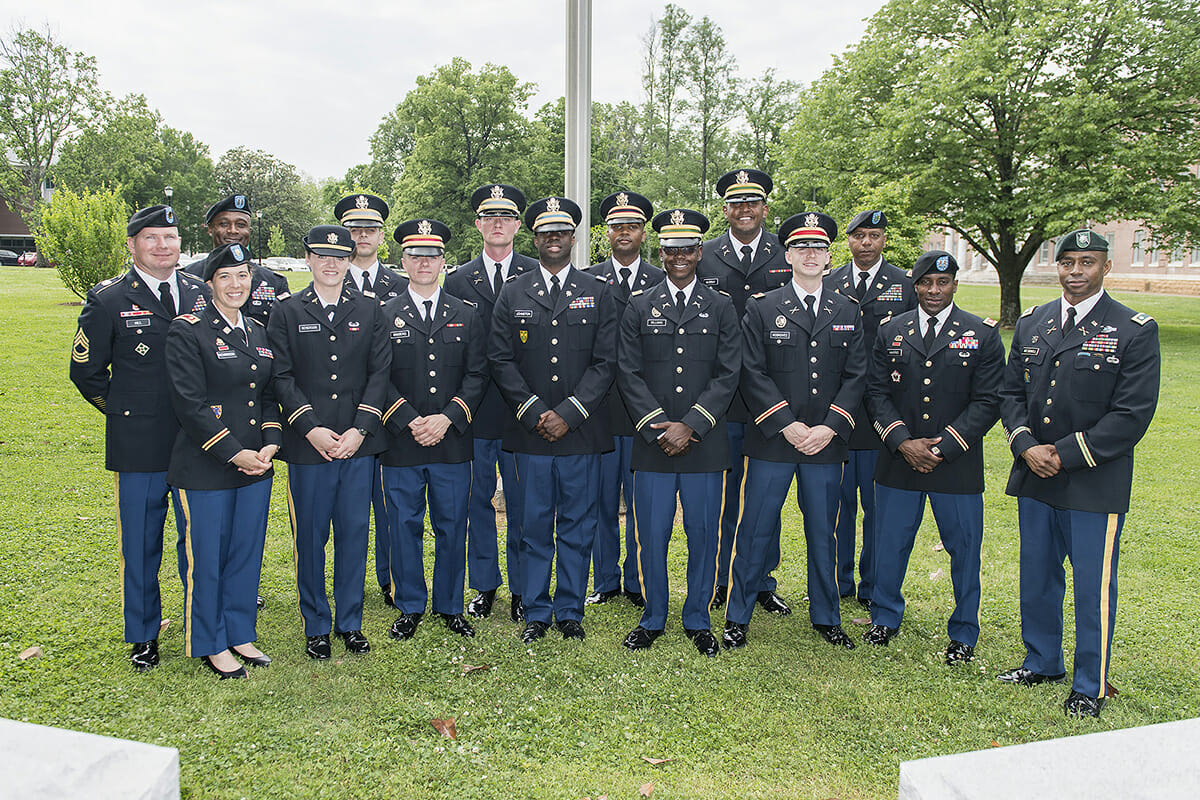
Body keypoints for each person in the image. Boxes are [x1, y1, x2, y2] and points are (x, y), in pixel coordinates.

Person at [997, 229, 1160, 718]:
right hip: (1035, 475)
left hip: (1092, 477)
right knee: (1038, 576)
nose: (1074, 271)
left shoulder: (1133, 329)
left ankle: (1091, 683)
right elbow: (1011, 395)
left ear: (1105, 267)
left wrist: (1062, 454)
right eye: (1066, 261)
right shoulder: (1034, 322)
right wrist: (1025, 445)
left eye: (1086, 262)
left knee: (1093, 585)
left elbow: (1131, 415)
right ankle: (1042, 660)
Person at [70, 204, 210, 671]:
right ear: (132, 244)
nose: (162, 246)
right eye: (151, 238)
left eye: (170, 237)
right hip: (139, 445)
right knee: (141, 543)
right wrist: (127, 415)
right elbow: (86, 373)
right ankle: (144, 634)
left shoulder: (198, 291)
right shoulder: (108, 299)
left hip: (198, 441)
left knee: (199, 540)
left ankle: (203, 627)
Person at [724, 212, 866, 650]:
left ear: (828, 258)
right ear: (788, 255)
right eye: (802, 247)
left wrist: (830, 426)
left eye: (819, 248)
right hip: (774, 441)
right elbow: (752, 371)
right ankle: (738, 615)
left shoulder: (847, 309)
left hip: (824, 443)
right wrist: (786, 424)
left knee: (824, 531)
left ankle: (826, 616)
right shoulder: (763, 307)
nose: (810, 254)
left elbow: (858, 375)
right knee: (755, 529)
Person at [862, 250, 1004, 660]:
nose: (934, 290)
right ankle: (885, 618)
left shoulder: (981, 333)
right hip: (898, 458)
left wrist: (943, 445)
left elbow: (989, 399)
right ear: (915, 285)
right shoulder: (891, 331)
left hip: (955, 463)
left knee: (963, 549)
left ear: (955, 285)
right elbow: (876, 393)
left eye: (943, 283)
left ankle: (963, 631)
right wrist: (902, 441)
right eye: (926, 283)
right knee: (890, 544)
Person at [489, 196, 617, 643]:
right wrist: (533, 410)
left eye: (562, 231)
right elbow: (500, 359)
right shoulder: (514, 290)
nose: (554, 238)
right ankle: (537, 611)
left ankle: (570, 611)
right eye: (546, 232)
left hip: (581, 431)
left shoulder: (598, 290)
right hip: (530, 434)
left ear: (573, 237)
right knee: (532, 525)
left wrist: (568, 413)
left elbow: (606, 362)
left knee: (578, 526)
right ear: (536, 239)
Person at [616, 208, 740, 656]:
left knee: (704, 533)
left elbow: (729, 373)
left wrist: (691, 425)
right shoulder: (639, 304)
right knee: (651, 532)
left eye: (688, 249)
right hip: (653, 443)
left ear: (699, 252)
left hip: (704, 443)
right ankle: (652, 617)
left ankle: (698, 618)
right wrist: (657, 426)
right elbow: (628, 372)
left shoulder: (721, 306)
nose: (680, 257)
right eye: (671, 250)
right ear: (661, 253)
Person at [267, 224, 391, 659]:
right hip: (308, 447)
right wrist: (310, 427)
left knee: (355, 534)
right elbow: (280, 378)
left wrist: (360, 430)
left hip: (358, 445)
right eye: (322, 256)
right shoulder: (285, 311)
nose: (332, 263)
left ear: (349, 259)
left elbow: (380, 375)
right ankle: (316, 624)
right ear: (308, 259)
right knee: (311, 539)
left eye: (340, 256)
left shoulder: (372, 309)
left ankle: (350, 623)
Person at [165, 243, 281, 679]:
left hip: (256, 462)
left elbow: (268, 396)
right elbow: (189, 404)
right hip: (207, 464)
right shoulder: (188, 330)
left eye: (244, 276)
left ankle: (239, 631)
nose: (237, 285)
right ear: (210, 283)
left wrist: (270, 444)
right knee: (207, 557)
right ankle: (210, 642)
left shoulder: (256, 330)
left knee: (245, 553)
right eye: (226, 277)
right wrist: (235, 453)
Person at [379, 219, 488, 641]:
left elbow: (478, 374)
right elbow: (377, 376)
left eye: (432, 256)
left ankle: (449, 604)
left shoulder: (466, 313)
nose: (424, 262)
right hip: (402, 442)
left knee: (452, 523)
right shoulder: (383, 313)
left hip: (451, 440)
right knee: (403, 525)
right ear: (402, 261)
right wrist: (408, 419)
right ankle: (409, 605)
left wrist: (448, 417)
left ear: (444, 262)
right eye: (415, 256)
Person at [698, 167, 792, 615]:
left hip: (772, 397)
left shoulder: (785, 253)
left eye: (752, 202)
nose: (745, 209)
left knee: (764, 496)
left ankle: (761, 580)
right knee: (724, 497)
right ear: (725, 210)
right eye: (736, 203)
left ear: (764, 208)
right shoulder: (706, 255)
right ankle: (721, 579)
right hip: (723, 399)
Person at [443, 184, 539, 622]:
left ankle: (523, 587)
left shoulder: (537, 271)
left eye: (506, 217)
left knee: (523, 503)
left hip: (522, 413)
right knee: (476, 503)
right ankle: (485, 585)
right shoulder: (458, 279)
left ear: (519, 225)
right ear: (479, 225)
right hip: (476, 414)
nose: (498, 224)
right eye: (489, 217)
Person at [824, 210, 916, 608]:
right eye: (859, 236)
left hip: (882, 412)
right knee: (838, 503)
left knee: (877, 506)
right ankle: (838, 580)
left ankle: (873, 584)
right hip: (838, 412)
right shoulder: (831, 282)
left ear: (883, 240)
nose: (866, 243)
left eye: (874, 236)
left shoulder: (906, 284)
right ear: (848, 241)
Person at [585, 190, 663, 607]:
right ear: (607, 233)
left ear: (643, 232)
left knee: (640, 504)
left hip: (644, 412)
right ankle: (606, 580)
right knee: (600, 500)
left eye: (632, 226)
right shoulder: (587, 279)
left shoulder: (662, 278)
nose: (624, 233)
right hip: (598, 411)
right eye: (617, 226)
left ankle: (636, 581)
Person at [333, 192, 408, 608]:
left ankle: (389, 580)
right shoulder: (329, 280)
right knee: (350, 511)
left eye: (370, 228)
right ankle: (350, 584)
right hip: (343, 414)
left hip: (391, 411)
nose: (362, 235)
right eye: (354, 228)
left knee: (390, 508)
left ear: (382, 235)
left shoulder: (401, 283)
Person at [184, 194, 291, 327]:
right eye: (224, 224)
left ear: (249, 230)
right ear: (210, 229)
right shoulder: (187, 280)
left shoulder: (274, 282)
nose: (232, 231)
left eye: (240, 225)